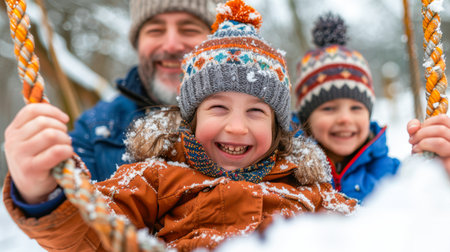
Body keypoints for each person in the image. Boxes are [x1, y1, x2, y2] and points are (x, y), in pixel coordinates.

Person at [3, 1, 358, 251]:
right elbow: (95, 231)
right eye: (218, 107)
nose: (236, 127)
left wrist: (415, 181)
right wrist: (44, 192)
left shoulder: (306, 188)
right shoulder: (154, 179)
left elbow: (373, 231)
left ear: (279, 128)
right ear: (191, 119)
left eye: (256, 112)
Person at [3, 0, 220, 182]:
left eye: (189, 29)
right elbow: (72, 215)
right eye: (155, 30)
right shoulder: (95, 128)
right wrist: (36, 190)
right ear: (137, 43)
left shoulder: (250, 118)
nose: (171, 45)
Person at [294, 13, 450, 203]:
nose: (345, 118)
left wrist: (437, 171)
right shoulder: (284, 174)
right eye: (329, 108)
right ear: (305, 117)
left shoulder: (393, 177)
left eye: (356, 108)